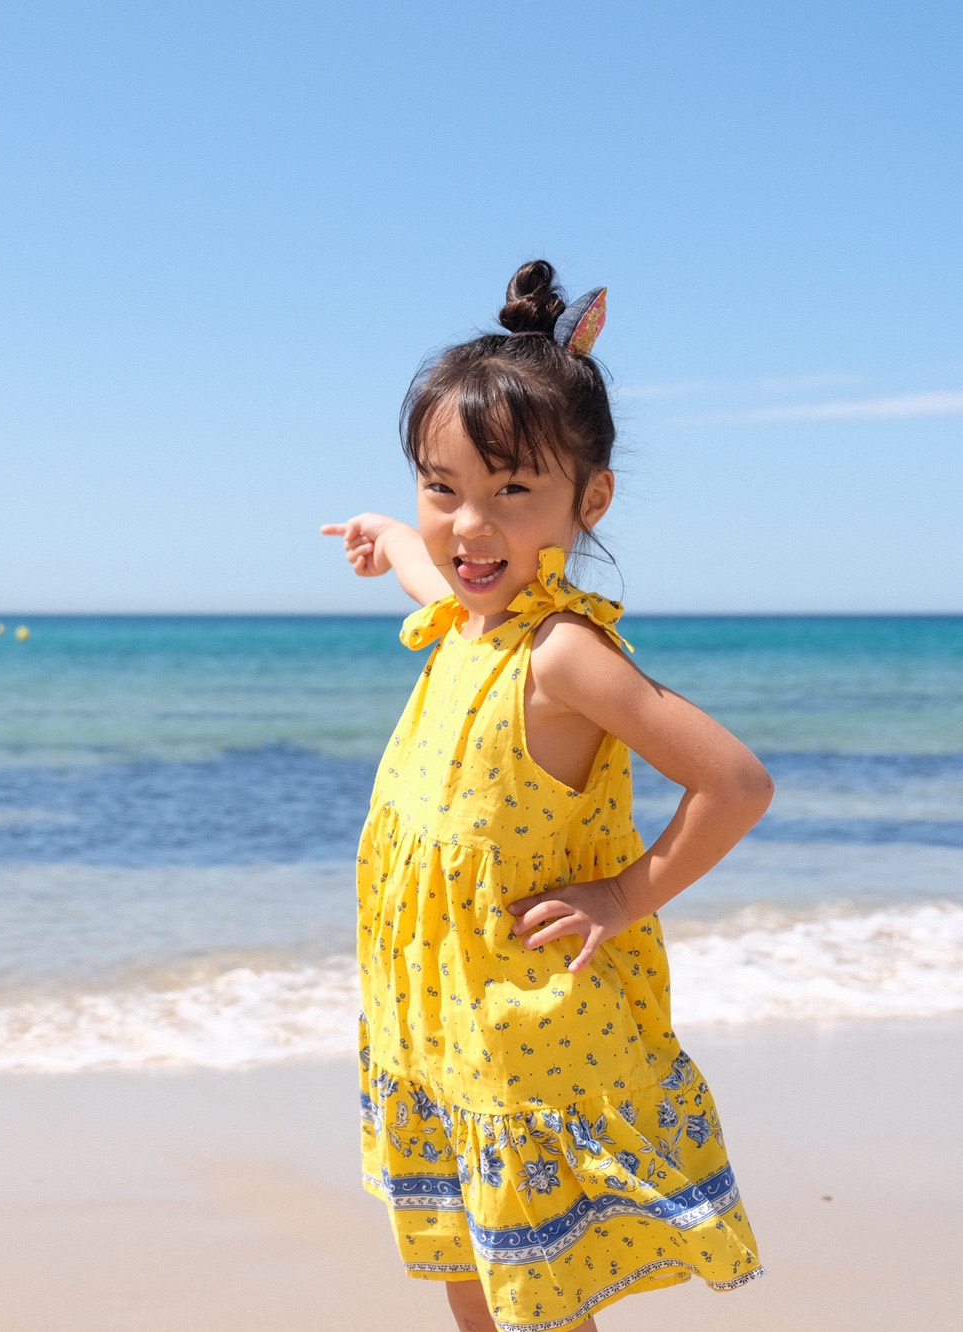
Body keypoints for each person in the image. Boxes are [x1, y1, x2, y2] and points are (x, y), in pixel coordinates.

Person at [320, 261, 773, 1332]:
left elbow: (734, 782)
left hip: (524, 1033)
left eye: (510, 492)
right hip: (438, 1023)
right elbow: (430, 575)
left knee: (533, 1302)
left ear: (589, 499)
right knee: (464, 1267)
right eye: (444, 487)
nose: (470, 526)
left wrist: (624, 896)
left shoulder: (563, 655)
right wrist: (390, 533)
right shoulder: (464, 621)